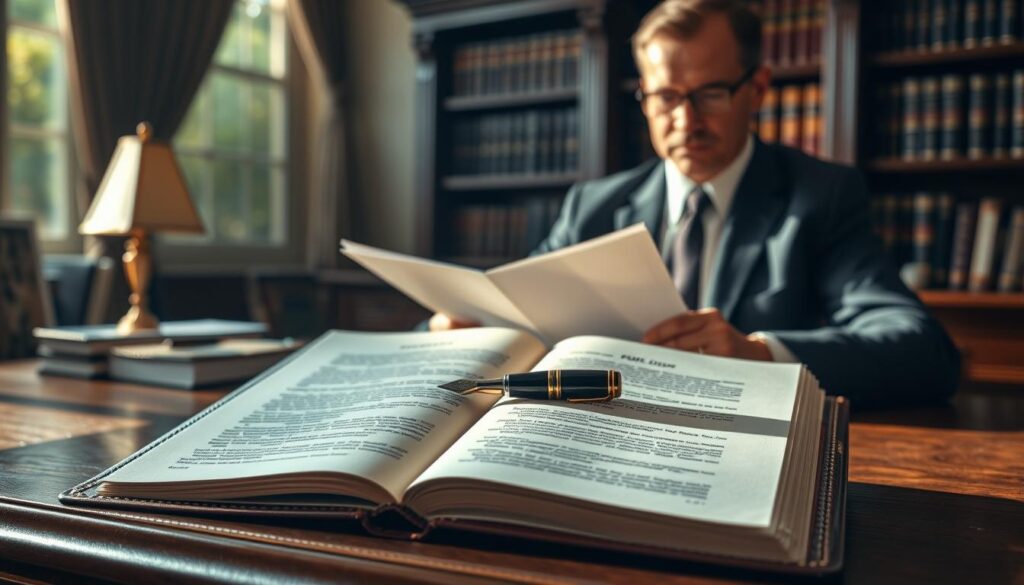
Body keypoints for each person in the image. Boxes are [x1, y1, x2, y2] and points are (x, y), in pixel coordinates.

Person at [431, 0, 960, 406]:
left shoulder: (821, 196)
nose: (686, 121)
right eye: (666, 97)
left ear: (757, 89)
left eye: (709, 94)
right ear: (644, 96)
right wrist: (462, 331)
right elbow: (512, 306)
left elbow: (921, 353)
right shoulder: (592, 207)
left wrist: (759, 355)